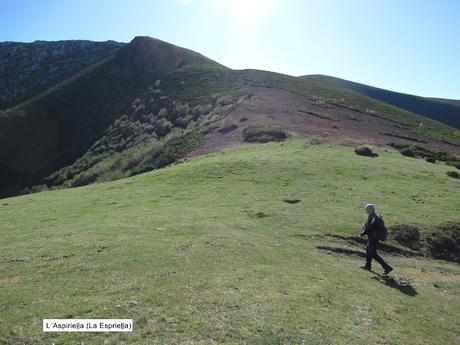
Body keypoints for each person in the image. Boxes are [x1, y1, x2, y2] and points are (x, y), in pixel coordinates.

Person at [360, 204, 393, 274]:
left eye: (367, 209)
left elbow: (370, 227)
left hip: (374, 238)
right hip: (372, 237)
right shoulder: (372, 216)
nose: (366, 210)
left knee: (373, 254)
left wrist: (363, 234)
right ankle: (368, 266)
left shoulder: (374, 217)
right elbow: (368, 226)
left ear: (372, 209)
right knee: (369, 251)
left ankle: (387, 267)